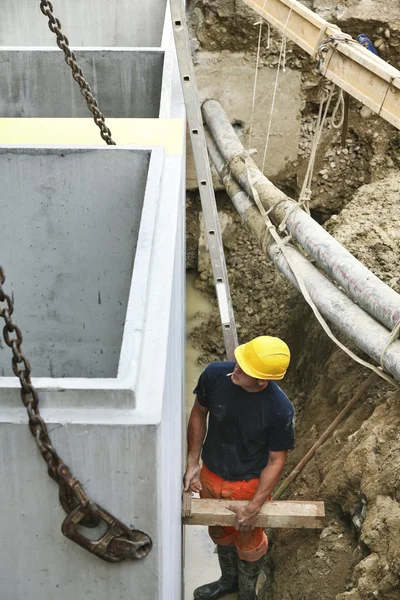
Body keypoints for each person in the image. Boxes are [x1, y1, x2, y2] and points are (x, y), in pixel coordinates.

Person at [184, 336, 295, 600]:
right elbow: (199, 412)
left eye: (245, 369)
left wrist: (254, 506)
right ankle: (228, 583)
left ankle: (247, 595)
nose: (236, 368)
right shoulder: (215, 375)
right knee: (219, 531)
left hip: (248, 485)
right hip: (211, 473)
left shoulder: (279, 410)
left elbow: (276, 460)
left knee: (249, 540)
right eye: (240, 361)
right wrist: (192, 463)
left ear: (262, 381)